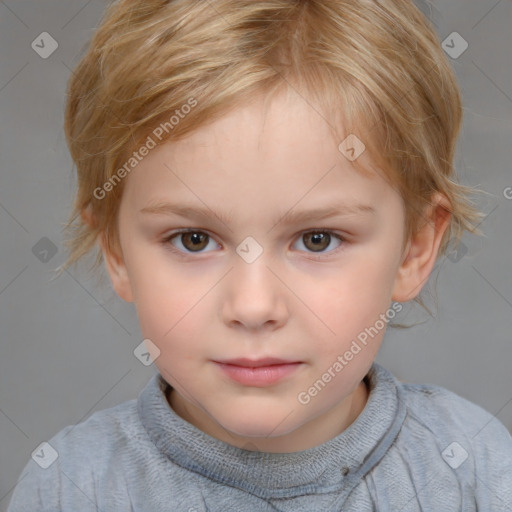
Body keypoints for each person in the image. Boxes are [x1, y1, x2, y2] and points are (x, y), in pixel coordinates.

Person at [8, 0, 512, 510]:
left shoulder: (476, 468)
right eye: (194, 240)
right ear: (116, 250)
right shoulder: (72, 486)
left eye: (317, 239)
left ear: (414, 249)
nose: (252, 307)